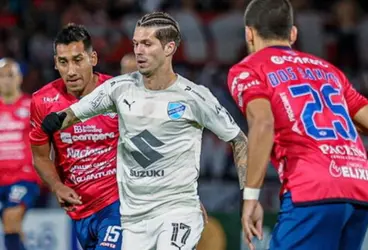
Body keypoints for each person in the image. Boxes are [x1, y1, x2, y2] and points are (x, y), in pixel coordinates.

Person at [40, 12, 248, 250]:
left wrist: (248, 198)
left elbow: (239, 139)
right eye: (136, 43)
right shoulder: (118, 89)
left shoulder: (194, 97)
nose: (138, 50)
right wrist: (55, 120)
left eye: (147, 44)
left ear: (169, 48)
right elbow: (73, 113)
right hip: (133, 218)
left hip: (177, 211)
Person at [227, 0, 368, 249]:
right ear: (293, 33)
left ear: (248, 33)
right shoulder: (330, 71)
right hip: (360, 188)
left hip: (311, 190)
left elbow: (262, 123)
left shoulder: (249, 69)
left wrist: (251, 196)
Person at [29, 24, 122, 250]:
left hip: (119, 203)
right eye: (63, 62)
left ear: (93, 58)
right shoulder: (42, 101)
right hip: (80, 210)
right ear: (55, 63)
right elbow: (40, 157)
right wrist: (57, 186)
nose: (70, 70)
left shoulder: (117, 92)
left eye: (78, 60)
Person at [0, 58, 40, 250]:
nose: (6, 80)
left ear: (20, 78)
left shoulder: (31, 106)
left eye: (10, 75)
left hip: (23, 177)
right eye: (2, 76)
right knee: (12, 227)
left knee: (11, 216)